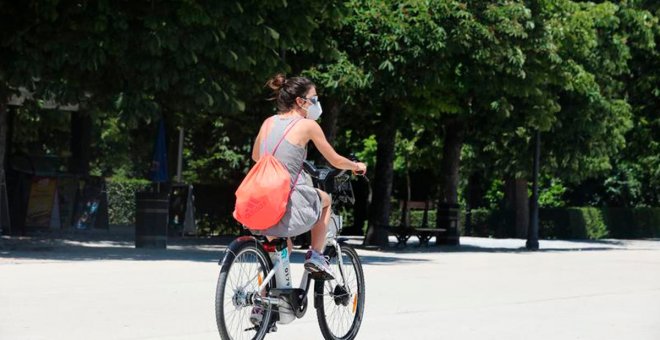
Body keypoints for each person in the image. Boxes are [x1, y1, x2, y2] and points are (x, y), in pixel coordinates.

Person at [252, 73, 367, 280]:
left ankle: (270, 302)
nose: (316, 104)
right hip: (287, 202)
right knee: (325, 200)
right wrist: (355, 166)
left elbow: (256, 156)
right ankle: (315, 256)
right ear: (300, 101)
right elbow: (335, 160)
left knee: (281, 249)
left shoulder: (268, 122)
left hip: (260, 202)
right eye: (314, 99)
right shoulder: (308, 125)